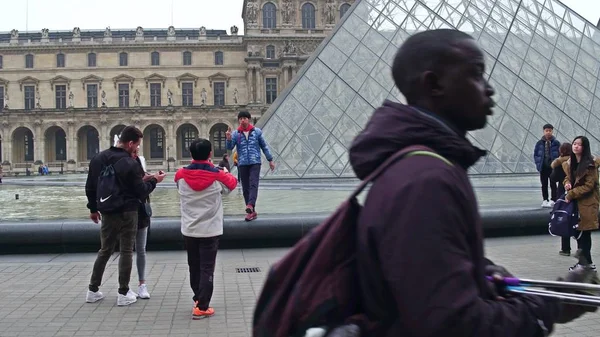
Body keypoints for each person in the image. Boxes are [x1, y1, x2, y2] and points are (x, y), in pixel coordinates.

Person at [348, 29, 596, 336]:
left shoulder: (416, 167)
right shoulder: (426, 181)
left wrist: (480, 271)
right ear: (434, 84)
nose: (489, 88)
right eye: (476, 73)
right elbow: (455, 324)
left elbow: (430, 274)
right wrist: (553, 305)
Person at [85, 125, 166, 306]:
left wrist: (92, 208)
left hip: (106, 211)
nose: (137, 148)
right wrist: (154, 180)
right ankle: (123, 293)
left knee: (105, 250)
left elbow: (90, 186)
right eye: (137, 145)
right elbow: (141, 191)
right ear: (130, 143)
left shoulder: (98, 158)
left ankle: (92, 290)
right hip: (127, 211)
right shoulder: (129, 162)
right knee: (126, 251)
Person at [175, 138, 237, 319]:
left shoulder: (180, 175)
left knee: (193, 266)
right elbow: (231, 186)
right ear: (210, 154)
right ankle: (202, 307)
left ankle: (197, 298)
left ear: (191, 154)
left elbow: (179, 185)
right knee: (207, 268)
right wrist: (224, 171)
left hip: (189, 229)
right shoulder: (218, 175)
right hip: (210, 230)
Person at [225, 111, 275, 221]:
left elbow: (264, 146)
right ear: (238, 120)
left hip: (255, 162)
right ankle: (251, 211)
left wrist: (270, 160)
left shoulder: (257, 132)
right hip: (242, 163)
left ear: (249, 119)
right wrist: (228, 138)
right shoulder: (235, 134)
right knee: (245, 188)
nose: (242, 120)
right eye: (240, 118)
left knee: (253, 184)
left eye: (245, 118)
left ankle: (250, 205)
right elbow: (230, 147)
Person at [562, 136, 600, 271]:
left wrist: (571, 193)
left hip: (587, 204)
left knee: (584, 235)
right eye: (574, 143)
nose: (575, 146)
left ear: (585, 147)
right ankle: (586, 264)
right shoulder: (571, 163)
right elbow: (568, 177)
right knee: (579, 234)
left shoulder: (590, 164)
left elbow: (589, 185)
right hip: (576, 205)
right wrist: (566, 183)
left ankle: (586, 264)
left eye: (579, 144)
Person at [132, 146, 152, 299]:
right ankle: (124, 287)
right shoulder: (122, 163)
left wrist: (149, 180)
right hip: (126, 212)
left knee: (141, 250)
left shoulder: (139, 161)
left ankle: (141, 284)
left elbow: (141, 187)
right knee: (126, 251)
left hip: (141, 211)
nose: (137, 152)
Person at [551, 142, 574, 256]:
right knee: (575, 217)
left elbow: (553, 178)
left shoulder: (559, 163)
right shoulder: (574, 161)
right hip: (575, 192)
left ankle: (565, 248)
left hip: (562, 192)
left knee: (564, 217)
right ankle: (581, 245)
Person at [534, 124, 560, 208]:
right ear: (543, 131)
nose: (548, 132)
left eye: (550, 131)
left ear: (552, 131)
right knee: (544, 184)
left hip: (552, 167)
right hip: (543, 167)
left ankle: (553, 199)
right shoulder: (539, 143)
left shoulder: (556, 143)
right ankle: (545, 200)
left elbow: (560, 154)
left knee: (553, 184)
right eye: (546, 131)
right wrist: (538, 165)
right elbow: (536, 155)